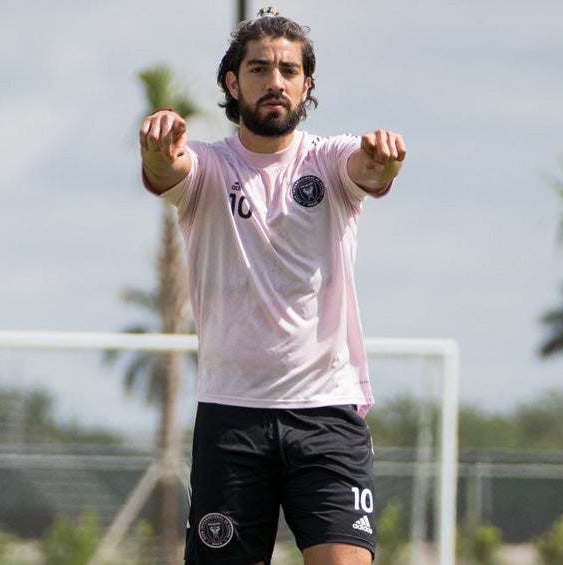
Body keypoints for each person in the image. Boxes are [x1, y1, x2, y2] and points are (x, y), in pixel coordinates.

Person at [138, 6, 405, 564]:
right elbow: (169, 172)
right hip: (231, 416)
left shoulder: (329, 161)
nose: (274, 82)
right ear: (233, 83)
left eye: (288, 70)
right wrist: (158, 153)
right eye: (259, 69)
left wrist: (381, 161)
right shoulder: (210, 168)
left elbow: (368, 170)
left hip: (328, 414)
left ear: (307, 85)